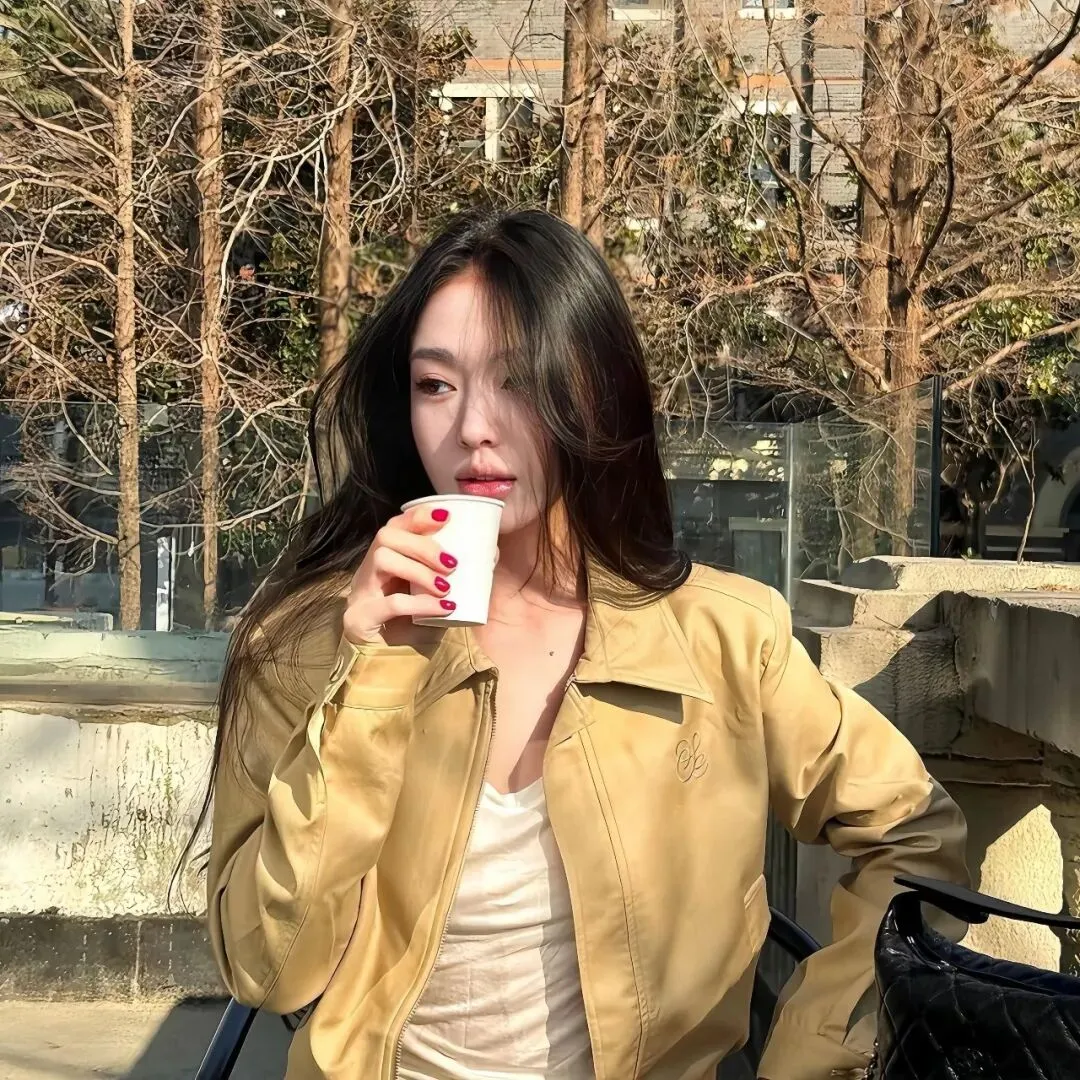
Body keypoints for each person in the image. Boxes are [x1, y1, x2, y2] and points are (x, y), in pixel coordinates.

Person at [202, 209, 968, 1080]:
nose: (473, 427)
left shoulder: (725, 638)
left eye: (520, 381)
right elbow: (268, 971)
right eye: (435, 385)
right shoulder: (304, 646)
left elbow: (917, 837)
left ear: (595, 391)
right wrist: (370, 679)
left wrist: (811, 1052)